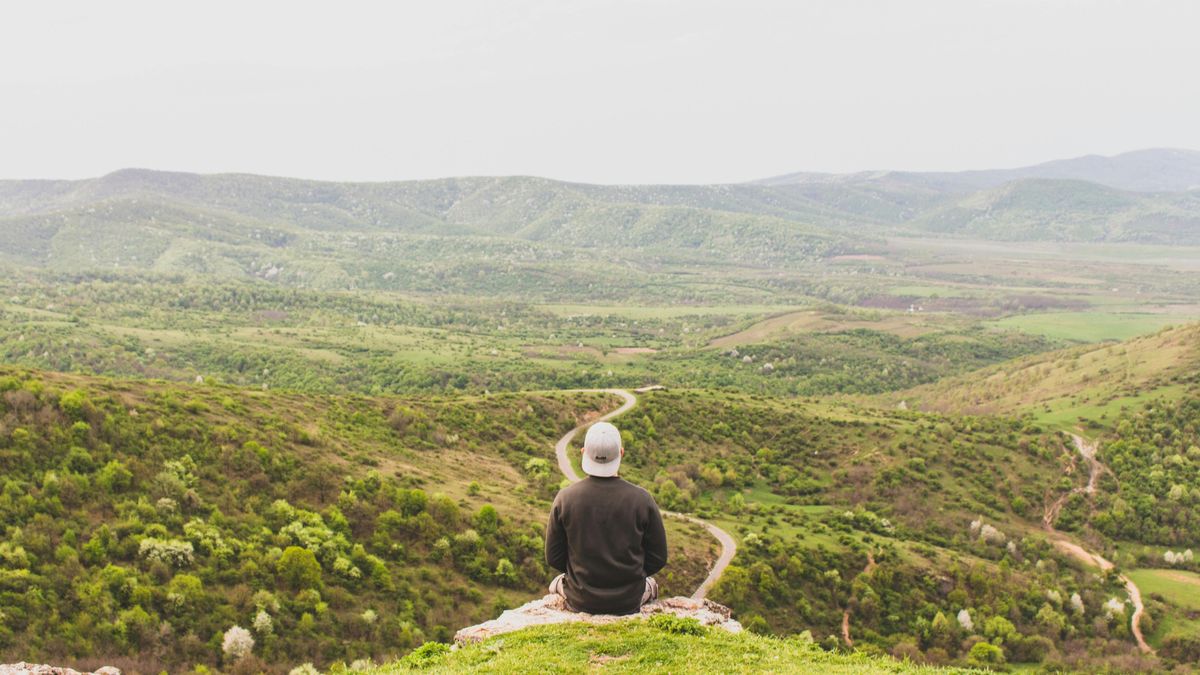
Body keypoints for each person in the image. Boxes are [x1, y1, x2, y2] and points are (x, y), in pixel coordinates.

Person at [544, 421, 668, 614]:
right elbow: (658, 557)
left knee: (556, 583)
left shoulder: (565, 498)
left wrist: (581, 576)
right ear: (621, 453)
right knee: (651, 584)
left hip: (580, 598)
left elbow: (554, 557)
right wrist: (631, 576)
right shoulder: (642, 499)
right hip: (629, 599)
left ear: (583, 452)